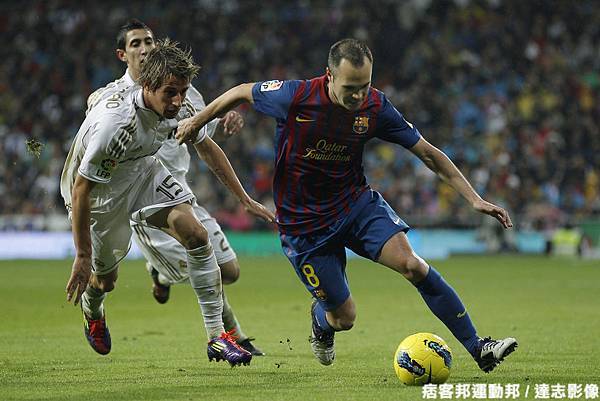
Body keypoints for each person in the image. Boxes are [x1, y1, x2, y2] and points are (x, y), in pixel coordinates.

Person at [176, 38, 518, 372]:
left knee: (412, 265)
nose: (358, 96)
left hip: (355, 206)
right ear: (329, 76)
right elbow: (240, 91)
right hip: (304, 227)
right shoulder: (294, 96)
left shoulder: (376, 107)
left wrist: (474, 198)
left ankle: (478, 347)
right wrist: (197, 121)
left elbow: (427, 152)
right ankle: (321, 323)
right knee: (345, 317)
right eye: (350, 87)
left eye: (365, 86)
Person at [60, 38, 274, 366]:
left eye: (183, 91)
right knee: (105, 280)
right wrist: (82, 254)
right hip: (102, 194)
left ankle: (217, 337)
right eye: (170, 93)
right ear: (147, 85)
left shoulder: (178, 106)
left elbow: (207, 147)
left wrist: (244, 199)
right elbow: (81, 189)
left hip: (143, 171)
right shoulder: (117, 127)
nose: (177, 102)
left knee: (196, 234)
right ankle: (93, 310)